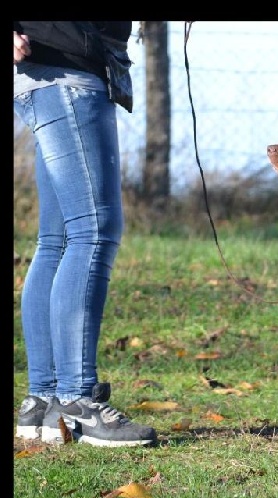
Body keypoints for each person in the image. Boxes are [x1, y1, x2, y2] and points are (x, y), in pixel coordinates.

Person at [13, 21, 156, 447]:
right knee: (94, 230)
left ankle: (44, 402)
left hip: (59, 69)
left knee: (57, 241)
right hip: (64, 70)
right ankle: (76, 399)